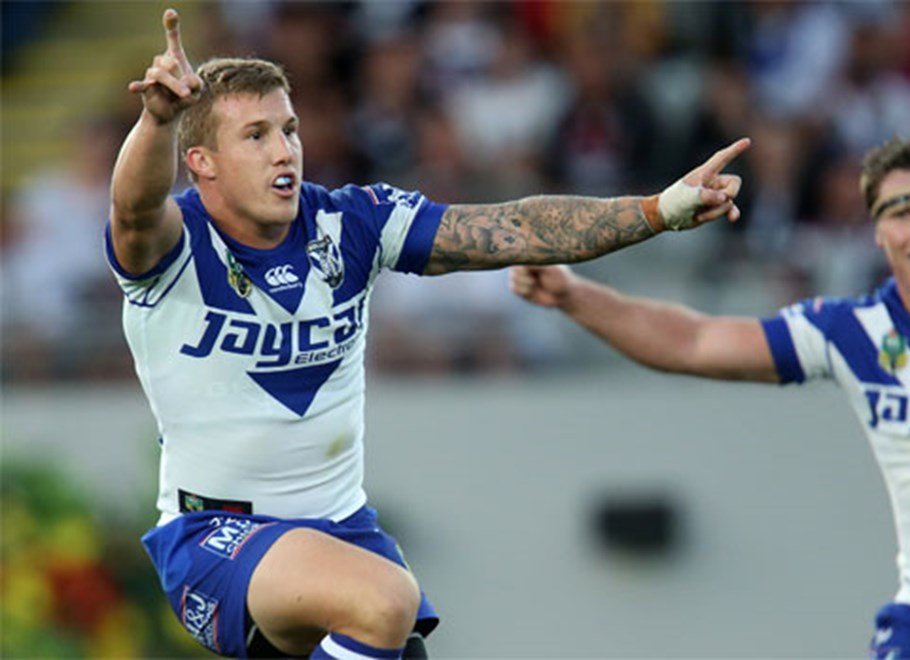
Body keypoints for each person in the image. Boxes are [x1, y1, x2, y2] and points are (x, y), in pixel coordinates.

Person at [106, 9, 748, 659]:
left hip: (340, 531)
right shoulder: (175, 245)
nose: (284, 151)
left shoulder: (352, 223)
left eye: (289, 129)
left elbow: (516, 228)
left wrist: (658, 209)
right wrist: (157, 121)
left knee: (389, 618)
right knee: (385, 601)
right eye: (255, 135)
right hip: (217, 534)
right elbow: (132, 210)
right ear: (202, 162)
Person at [511, 137, 910, 658]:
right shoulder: (854, 331)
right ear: (877, 233)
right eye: (900, 213)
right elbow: (695, 342)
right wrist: (575, 295)